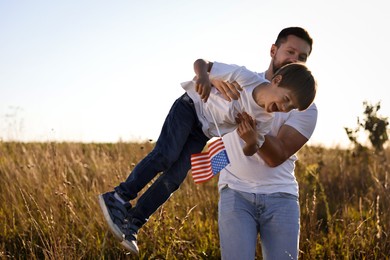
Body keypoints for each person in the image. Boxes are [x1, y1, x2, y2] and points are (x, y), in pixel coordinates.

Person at [97, 57, 316, 253]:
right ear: (276, 81)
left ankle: (133, 222)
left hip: (202, 132)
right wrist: (203, 76)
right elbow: (202, 63)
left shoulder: (265, 120)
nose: (284, 108)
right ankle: (118, 196)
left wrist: (250, 141)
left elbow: (250, 149)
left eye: (290, 108)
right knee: (166, 155)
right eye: (286, 99)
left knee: (174, 178)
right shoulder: (246, 78)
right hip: (190, 108)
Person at [215, 27, 317, 260]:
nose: (295, 59)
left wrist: (256, 136)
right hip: (235, 192)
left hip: (280, 197)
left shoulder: (306, 107)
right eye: (290, 51)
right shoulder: (242, 81)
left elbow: (276, 155)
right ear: (273, 50)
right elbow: (206, 75)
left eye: (302, 57)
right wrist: (212, 78)